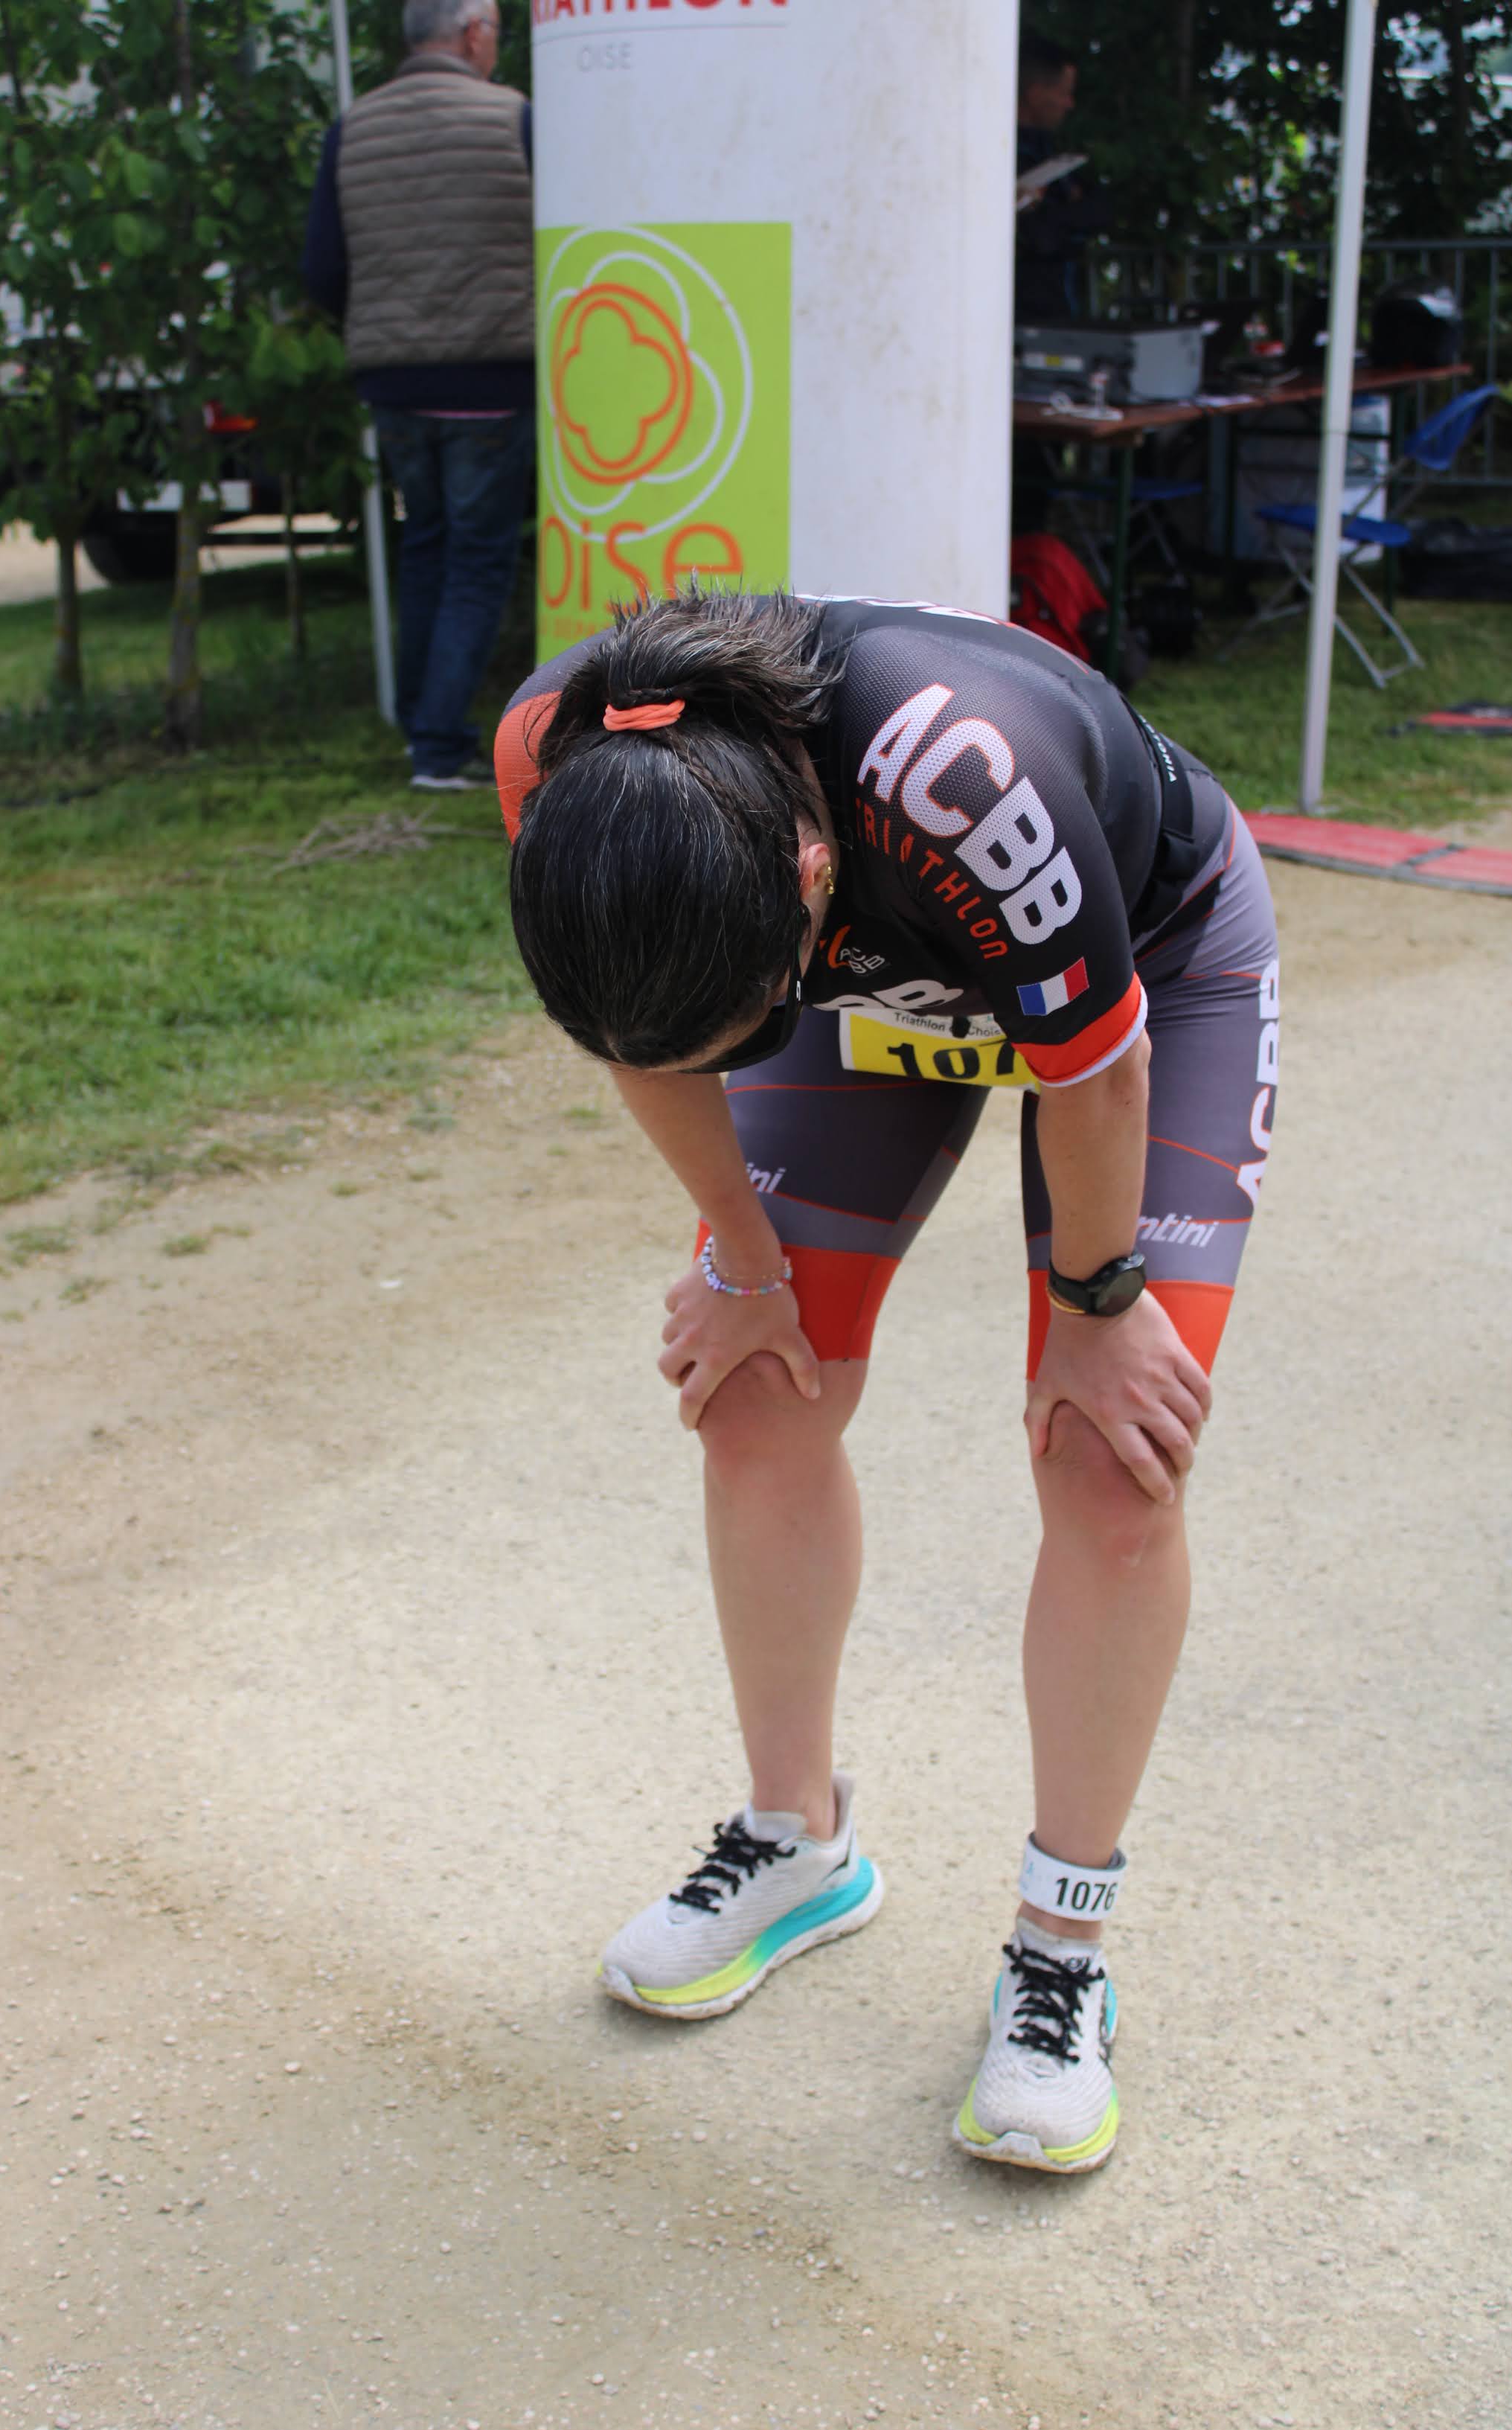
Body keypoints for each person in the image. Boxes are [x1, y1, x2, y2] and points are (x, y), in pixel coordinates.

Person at [496, 589, 1278, 2175]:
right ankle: (797, 1840)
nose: (721, 1052)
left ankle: (1058, 1952)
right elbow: (641, 1035)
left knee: (1107, 1454)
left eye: (744, 1028)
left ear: (804, 874)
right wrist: (742, 1259)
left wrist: (1098, 1303)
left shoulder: (959, 776)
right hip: (863, 985)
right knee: (756, 1391)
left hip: (1140, 974)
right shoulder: (562, 760)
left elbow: (1096, 1070)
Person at [304, 0, 534, 791]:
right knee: (477, 560)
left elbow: (321, 269)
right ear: (473, 33)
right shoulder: (513, 118)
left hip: (394, 383)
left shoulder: (353, 128)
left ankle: (418, 724)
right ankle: (439, 744)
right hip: (490, 375)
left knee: (425, 546)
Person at [1013, 33, 1109, 325]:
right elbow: (1039, 237)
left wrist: (1055, 217)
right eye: (1064, 93)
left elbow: (1101, 209)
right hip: (1021, 314)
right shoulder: (1002, 154)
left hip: (1058, 312)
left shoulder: (1051, 150)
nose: (1069, 104)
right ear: (1035, 93)